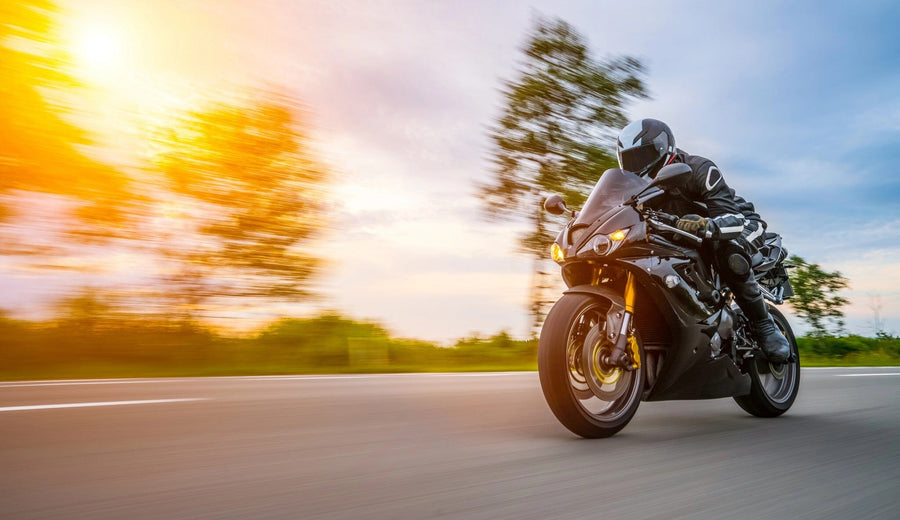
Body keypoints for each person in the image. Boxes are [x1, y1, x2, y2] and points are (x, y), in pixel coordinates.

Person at [615, 118, 790, 362]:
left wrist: (706, 224)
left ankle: (764, 326)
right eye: (631, 159)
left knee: (729, 251)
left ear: (663, 149)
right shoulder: (639, 189)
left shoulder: (699, 169)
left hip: (740, 223)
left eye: (643, 156)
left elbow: (731, 218)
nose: (638, 165)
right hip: (687, 234)